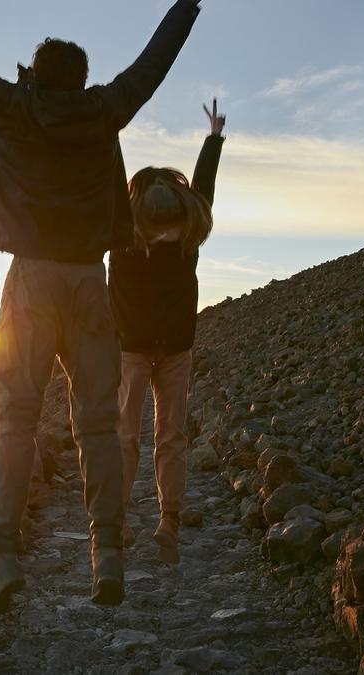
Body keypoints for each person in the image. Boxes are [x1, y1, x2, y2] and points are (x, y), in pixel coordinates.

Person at [0, 0, 202, 615]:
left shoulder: (9, 106)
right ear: (81, 78)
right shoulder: (106, 110)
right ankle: (107, 554)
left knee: (16, 423)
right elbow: (156, 62)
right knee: (99, 426)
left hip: (29, 283)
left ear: (34, 71)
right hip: (87, 284)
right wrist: (188, 6)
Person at [109, 98, 226, 564]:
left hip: (169, 348)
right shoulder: (121, 231)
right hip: (134, 348)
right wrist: (107, 129)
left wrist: (214, 140)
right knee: (134, 435)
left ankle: (167, 522)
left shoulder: (186, 232)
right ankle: (121, 521)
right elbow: (111, 178)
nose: (165, 240)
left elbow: (204, 189)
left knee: (161, 435)